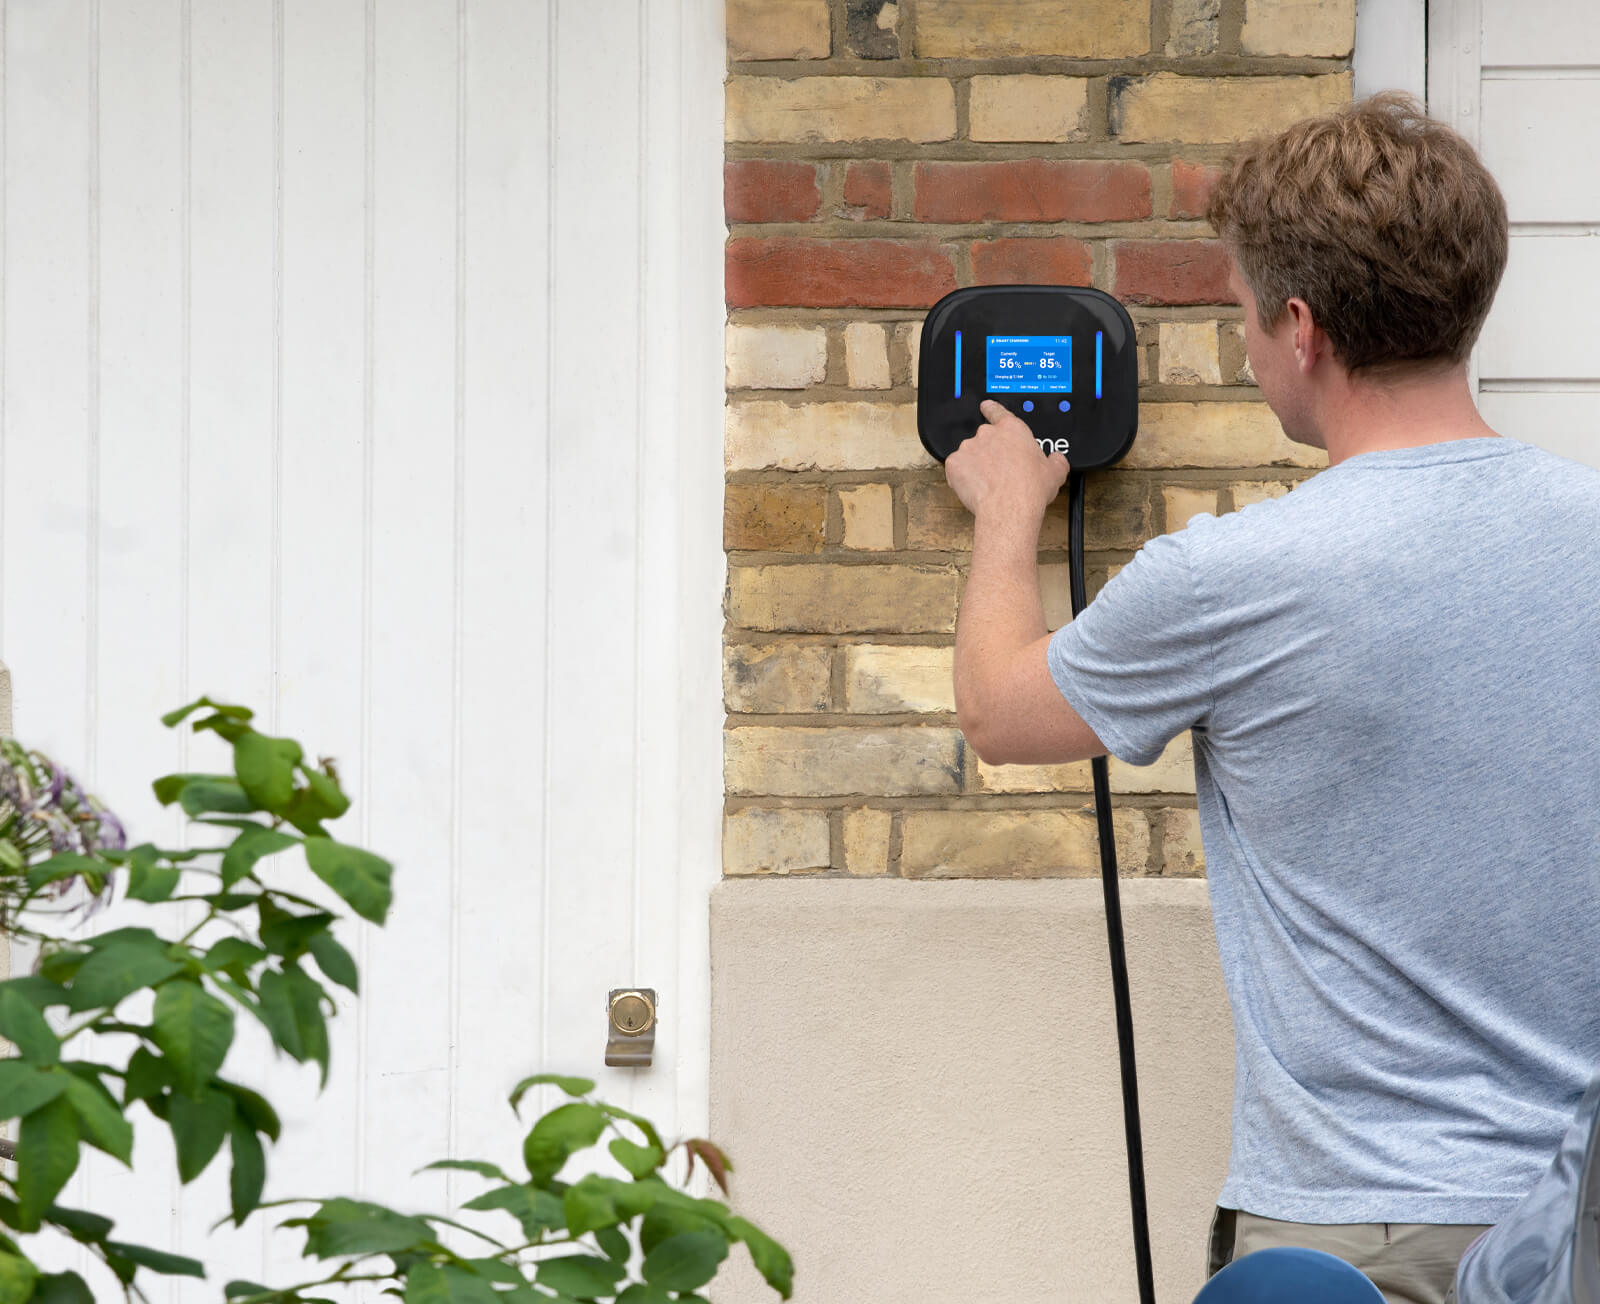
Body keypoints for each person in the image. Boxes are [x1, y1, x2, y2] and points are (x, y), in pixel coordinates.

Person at [942, 93, 1600, 1304]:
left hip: (1359, 1237)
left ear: (1300, 326)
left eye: (1243, 315)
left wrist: (1006, 513)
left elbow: (998, 710)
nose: (1248, 348)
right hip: (1580, 1213)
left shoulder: (1236, 575)